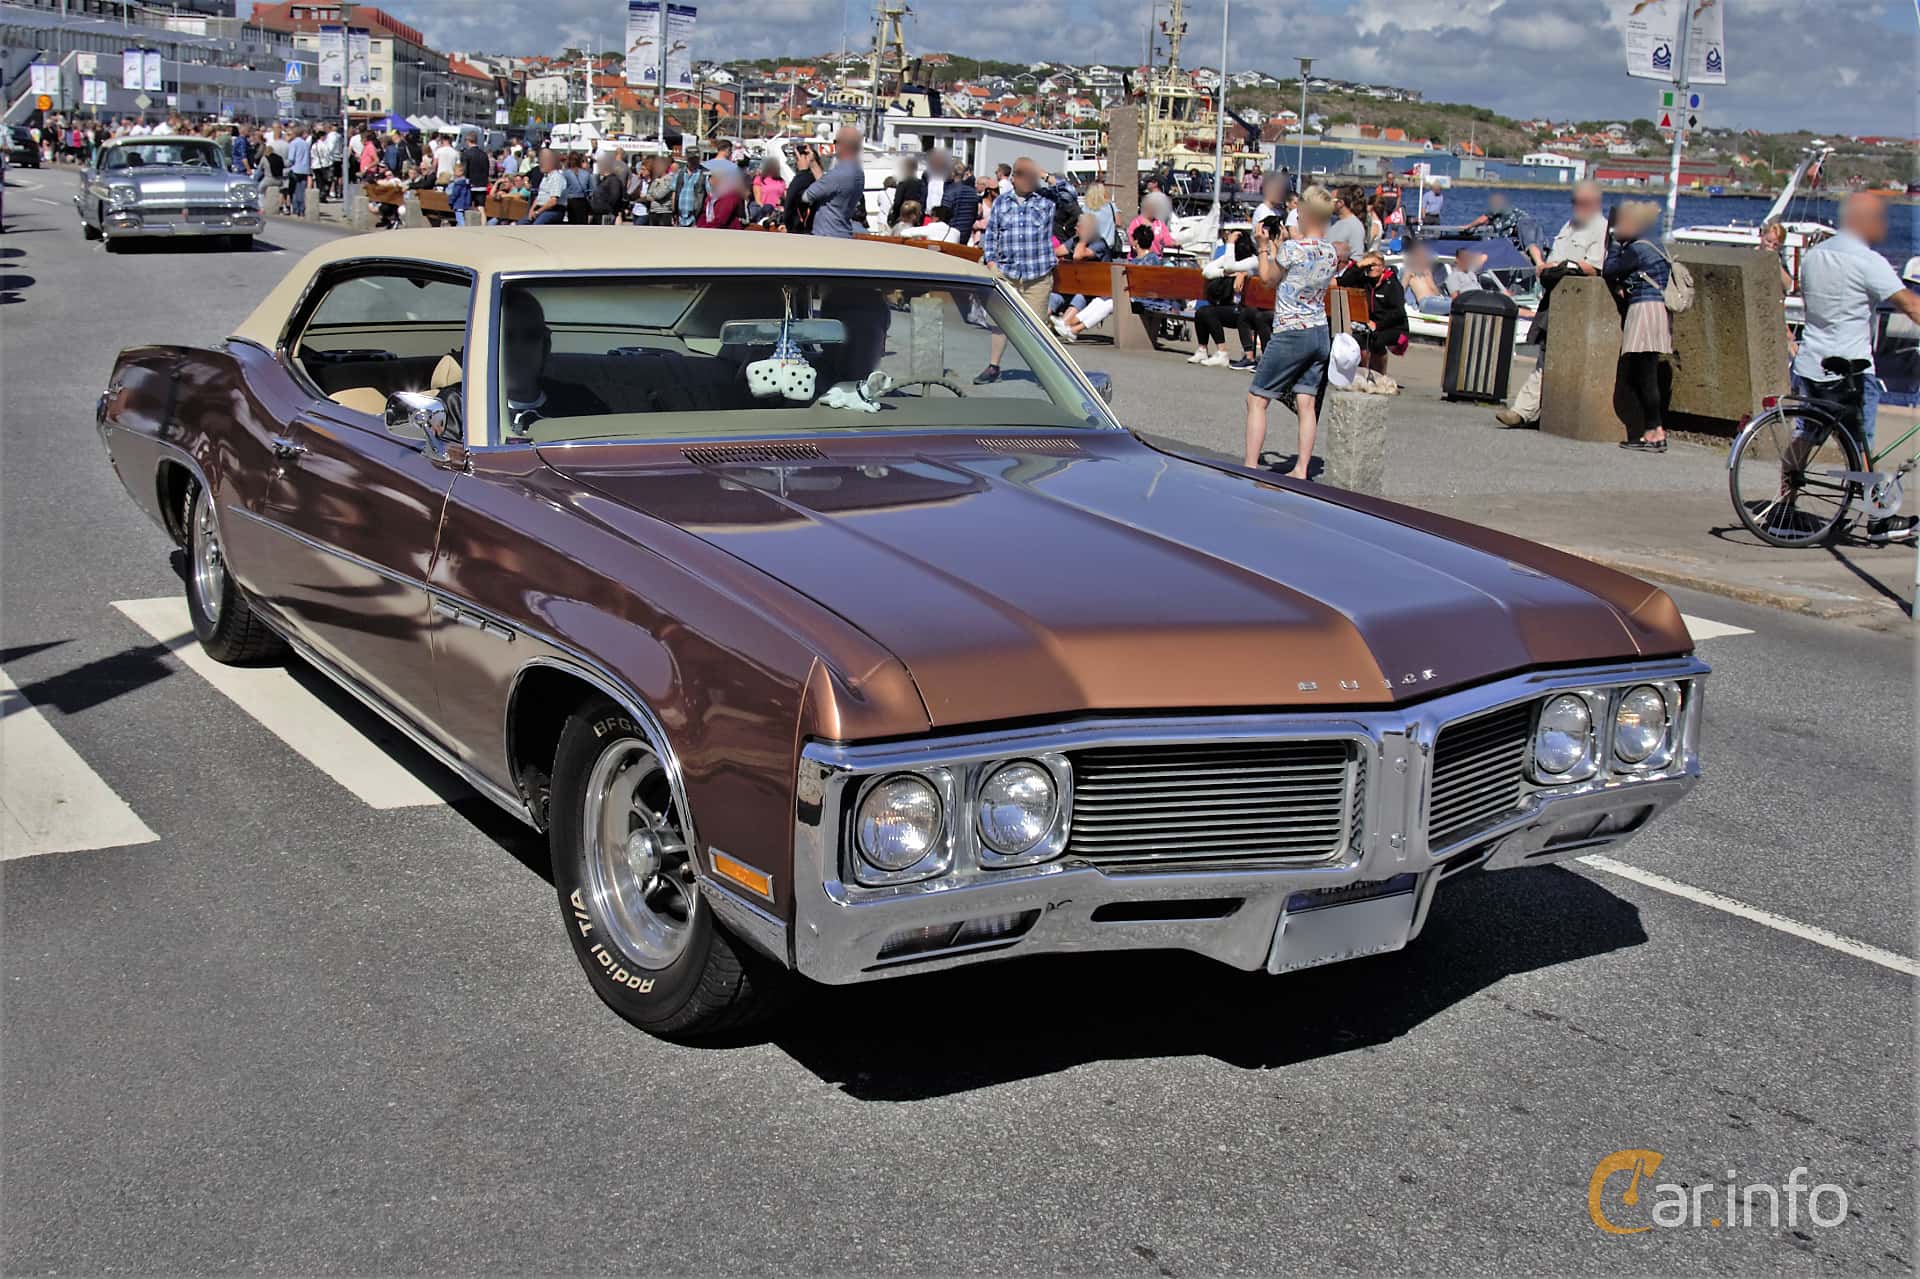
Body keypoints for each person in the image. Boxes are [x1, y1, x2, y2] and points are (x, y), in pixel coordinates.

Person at [1793, 193, 1920, 531]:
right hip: (1851, 368)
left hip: (1810, 362)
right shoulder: (1868, 261)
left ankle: (1784, 505)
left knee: (1806, 436)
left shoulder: (1814, 256)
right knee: (1862, 440)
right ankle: (1879, 518)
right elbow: (1911, 305)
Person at [1244, 186, 1339, 479]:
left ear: (1305, 213)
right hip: (1319, 331)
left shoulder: (1292, 249)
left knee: (1257, 399)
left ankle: (1250, 467)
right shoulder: (1331, 251)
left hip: (1291, 330)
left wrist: (1263, 246)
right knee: (1306, 402)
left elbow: (1269, 278)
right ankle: (1301, 469)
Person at [1496, 181, 1609, 427]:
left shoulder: (1600, 228)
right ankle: (1527, 411)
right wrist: (1544, 265)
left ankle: (1523, 411)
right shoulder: (1569, 225)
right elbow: (1552, 261)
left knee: (1551, 361)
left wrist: (1568, 267)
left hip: (1578, 303)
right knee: (1546, 357)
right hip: (1554, 298)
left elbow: (1596, 268)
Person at [974, 157, 1077, 383]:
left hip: (1037, 275)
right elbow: (992, 235)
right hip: (1007, 273)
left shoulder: (1046, 199)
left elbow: (1070, 195)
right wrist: (991, 262)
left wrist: (1045, 175)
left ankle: (1044, 373)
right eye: (1023, 175)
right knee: (1000, 322)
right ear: (1014, 179)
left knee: (1036, 327)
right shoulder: (1003, 202)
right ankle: (993, 367)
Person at [1603, 200, 1674, 453]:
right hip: (1659, 310)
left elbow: (1609, 270)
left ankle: (1654, 431)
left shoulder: (1637, 249)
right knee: (1646, 370)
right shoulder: (1656, 245)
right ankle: (1654, 430)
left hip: (1644, 309)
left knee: (1644, 374)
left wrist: (1612, 243)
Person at [499, 289, 609, 435]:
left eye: (531, 336)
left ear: (545, 345)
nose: (519, 349)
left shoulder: (581, 403)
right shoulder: (465, 406)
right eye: (507, 337)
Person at [1341, 252, 1409, 376]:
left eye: (1375, 265)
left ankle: (1379, 375)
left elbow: (1398, 313)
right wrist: (1359, 265)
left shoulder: (1393, 285)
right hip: (1369, 325)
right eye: (1369, 265)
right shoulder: (1364, 281)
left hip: (1393, 327)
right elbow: (1344, 281)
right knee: (1357, 339)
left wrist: (1377, 325)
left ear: (1383, 267)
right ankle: (1362, 374)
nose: (1372, 268)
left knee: (1376, 341)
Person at [801, 126, 867, 238]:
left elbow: (806, 197)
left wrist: (802, 171)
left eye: (835, 142)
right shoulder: (858, 173)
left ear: (843, 145)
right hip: (843, 233)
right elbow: (828, 186)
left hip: (826, 235)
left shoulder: (838, 174)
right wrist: (813, 163)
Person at [518, 149, 567, 225]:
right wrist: (531, 210)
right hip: (541, 209)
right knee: (521, 223)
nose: (540, 165)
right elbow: (539, 197)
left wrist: (538, 212)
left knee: (537, 225)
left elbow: (553, 201)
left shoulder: (557, 177)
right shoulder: (545, 177)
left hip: (553, 210)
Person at [1327, 186, 1367, 266]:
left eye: (1330, 200)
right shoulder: (1336, 222)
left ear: (1340, 203)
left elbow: (1357, 258)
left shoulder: (1355, 226)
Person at [751, 154, 787, 220]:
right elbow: (758, 200)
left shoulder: (781, 181)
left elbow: (785, 198)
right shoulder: (759, 179)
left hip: (778, 214)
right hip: (764, 213)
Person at [286, 127, 312, 216]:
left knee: (294, 190)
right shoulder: (306, 144)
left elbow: (291, 158)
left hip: (295, 169)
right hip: (304, 169)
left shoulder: (293, 143)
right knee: (302, 189)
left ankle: (296, 208)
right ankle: (302, 209)